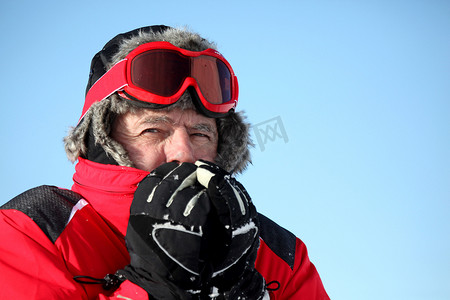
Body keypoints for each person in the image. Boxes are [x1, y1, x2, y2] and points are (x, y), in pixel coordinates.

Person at [0, 25, 330, 299]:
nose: (183, 153)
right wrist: (154, 289)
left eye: (201, 133)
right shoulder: (32, 231)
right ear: (104, 139)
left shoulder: (279, 254)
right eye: (153, 129)